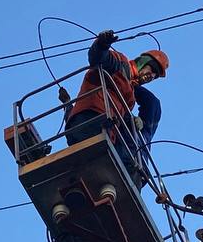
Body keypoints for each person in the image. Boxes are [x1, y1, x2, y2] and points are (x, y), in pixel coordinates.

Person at [63, 30, 168, 180]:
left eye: (155, 77)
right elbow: (98, 58)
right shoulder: (121, 64)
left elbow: (121, 114)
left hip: (105, 129)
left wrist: (133, 121)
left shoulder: (130, 94)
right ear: (143, 62)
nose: (151, 77)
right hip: (91, 118)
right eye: (152, 70)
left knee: (104, 170)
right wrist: (102, 44)